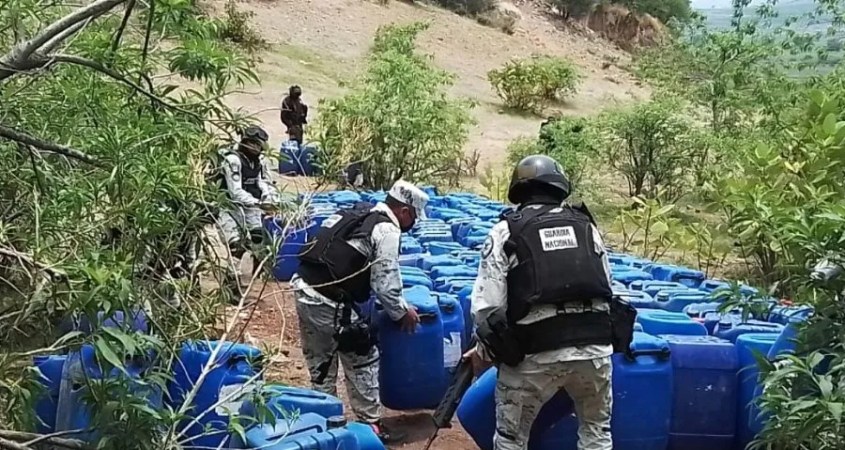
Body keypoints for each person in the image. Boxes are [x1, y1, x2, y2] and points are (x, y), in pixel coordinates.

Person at [465, 155, 614, 450]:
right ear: (559, 188)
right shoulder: (587, 227)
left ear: (519, 190)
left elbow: (487, 308)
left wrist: (484, 351)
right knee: (596, 432)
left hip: (535, 354)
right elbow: (607, 287)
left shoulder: (506, 231)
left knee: (511, 439)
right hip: (595, 351)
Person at [292, 180, 429, 443]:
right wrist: (402, 313)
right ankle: (371, 425)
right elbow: (385, 284)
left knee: (321, 361)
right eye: (413, 216)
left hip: (304, 287)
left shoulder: (358, 212)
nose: (412, 223)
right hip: (329, 299)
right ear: (404, 211)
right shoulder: (387, 229)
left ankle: (325, 424)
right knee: (362, 356)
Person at [217, 125, 280, 294]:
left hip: (250, 206)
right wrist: (259, 203)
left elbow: (262, 182)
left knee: (259, 239)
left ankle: (256, 275)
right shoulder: (233, 160)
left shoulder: (257, 162)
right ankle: (231, 285)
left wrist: (270, 198)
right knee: (236, 246)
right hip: (228, 206)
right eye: (253, 144)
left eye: (258, 145)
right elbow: (235, 192)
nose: (255, 148)